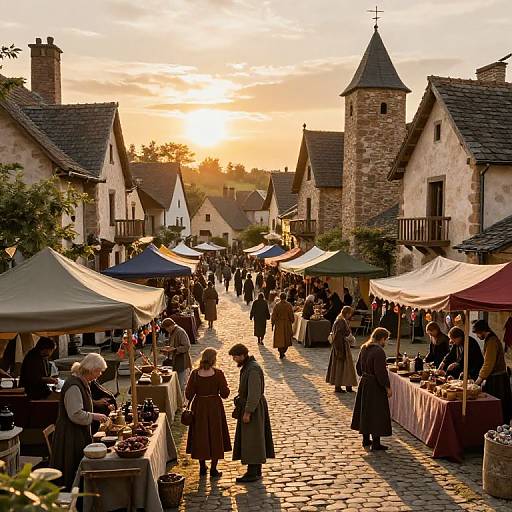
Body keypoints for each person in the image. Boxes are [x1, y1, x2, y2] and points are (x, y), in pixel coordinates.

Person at [51, 353, 109, 489]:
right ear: (91, 370)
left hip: (76, 432)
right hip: (70, 434)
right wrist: (95, 416)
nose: (99, 374)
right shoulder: (74, 386)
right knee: (70, 466)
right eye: (98, 371)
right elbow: (75, 414)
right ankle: (73, 497)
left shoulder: (82, 382)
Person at [229, 344, 274, 482]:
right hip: (251, 406)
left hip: (253, 408)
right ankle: (255, 469)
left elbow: (254, 393)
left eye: (235, 357)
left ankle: (253, 472)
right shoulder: (248, 367)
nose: (234, 359)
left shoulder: (253, 369)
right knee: (253, 439)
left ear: (242, 355)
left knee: (252, 439)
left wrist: (248, 412)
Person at [185, 348, 231, 478]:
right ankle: (214, 469)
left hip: (199, 407)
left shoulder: (195, 374)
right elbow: (225, 394)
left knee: (201, 435)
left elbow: (188, 394)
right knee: (216, 435)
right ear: (213, 359)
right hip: (214, 407)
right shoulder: (218, 374)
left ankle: (202, 467)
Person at [351, 327, 392, 451]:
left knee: (366, 411)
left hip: (365, 382)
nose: (386, 342)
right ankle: (376, 442)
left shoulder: (364, 347)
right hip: (374, 385)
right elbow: (381, 372)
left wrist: (364, 377)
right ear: (382, 339)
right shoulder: (378, 351)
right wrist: (387, 387)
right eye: (386, 339)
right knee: (376, 412)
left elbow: (358, 368)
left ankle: (365, 439)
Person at [472, 320, 512, 423]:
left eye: (477, 333)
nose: (477, 336)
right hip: (495, 377)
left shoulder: (492, 341)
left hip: (498, 380)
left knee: (498, 407)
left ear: (482, 331)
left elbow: (488, 364)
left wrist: (478, 381)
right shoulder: (489, 340)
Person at [326, 306, 358, 393]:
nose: (350, 316)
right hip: (340, 346)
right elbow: (338, 336)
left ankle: (347, 385)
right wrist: (339, 349)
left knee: (345, 367)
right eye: (350, 314)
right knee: (340, 367)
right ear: (347, 313)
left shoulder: (341, 320)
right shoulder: (340, 321)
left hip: (342, 346)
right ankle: (339, 386)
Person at [161, 318, 192, 395]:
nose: (166, 330)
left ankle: (182, 402)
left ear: (170, 326)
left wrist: (175, 349)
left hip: (181, 361)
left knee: (181, 384)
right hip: (174, 361)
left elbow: (187, 346)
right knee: (175, 383)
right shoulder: (172, 332)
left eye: (166, 328)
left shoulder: (180, 332)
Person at [271, 293, 294, 359]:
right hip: (286, 324)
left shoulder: (277, 305)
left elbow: (274, 315)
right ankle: (282, 352)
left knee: (279, 339)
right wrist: (292, 320)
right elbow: (291, 314)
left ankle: (281, 352)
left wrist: (273, 323)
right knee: (286, 338)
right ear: (285, 297)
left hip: (279, 324)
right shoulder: (288, 305)